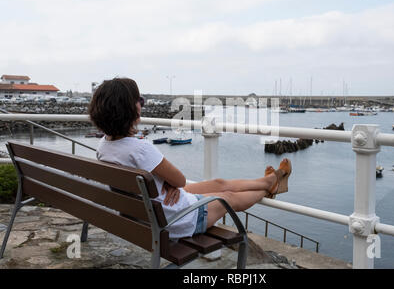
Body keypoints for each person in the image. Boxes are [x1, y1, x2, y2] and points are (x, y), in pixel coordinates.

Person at [88, 77, 292, 239]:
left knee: (218, 183)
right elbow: (180, 180)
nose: (142, 105)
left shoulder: (104, 146)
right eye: (139, 101)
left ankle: (269, 181)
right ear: (130, 109)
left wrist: (165, 185)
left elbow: (158, 180)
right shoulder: (140, 148)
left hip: (149, 209)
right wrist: (170, 184)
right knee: (227, 197)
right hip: (178, 220)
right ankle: (269, 187)